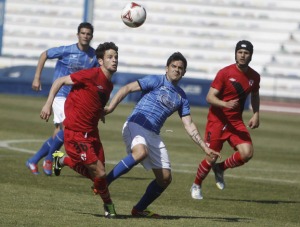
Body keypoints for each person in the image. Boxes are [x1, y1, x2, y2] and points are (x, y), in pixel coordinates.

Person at [102, 52, 220, 218]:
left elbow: (189, 124)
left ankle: (139, 209)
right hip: (136, 123)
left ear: (184, 72)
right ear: (167, 67)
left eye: (180, 68)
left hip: (153, 134)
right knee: (140, 153)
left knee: (165, 178)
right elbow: (127, 88)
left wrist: (204, 147)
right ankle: (104, 182)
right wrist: (110, 107)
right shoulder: (156, 80)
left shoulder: (181, 97)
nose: (177, 70)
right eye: (174, 66)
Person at [40, 42, 119, 218]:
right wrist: (48, 104)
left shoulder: (109, 85)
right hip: (76, 133)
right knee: (100, 173)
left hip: (92, 132)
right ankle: (109, 206)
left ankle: (62, 161)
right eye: (110, 57)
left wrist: (100, 113)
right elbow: (60, 80)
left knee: (99, 178)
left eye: (116, 57)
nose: (114, 60)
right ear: (100, 61)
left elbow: (95, 100)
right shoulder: (90, 74)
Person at [190, 40, 260, 200]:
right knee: (211, 156)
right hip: (217, 121)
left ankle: (220, 168)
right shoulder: (225, 73)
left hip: (235, 122)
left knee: (247, 153)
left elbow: (255, 94)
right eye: (240, 52)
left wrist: (256, 113)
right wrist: (225, 104)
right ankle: (196, 184)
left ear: (251, 56)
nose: (242, 56)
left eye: (246, 53)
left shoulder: (255, 77)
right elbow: (209, 97)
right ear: (235, 54)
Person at [26, 22, 99, 176]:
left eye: (88, 34)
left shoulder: (93, 56)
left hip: (76, 99)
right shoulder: (67, 50)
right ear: (78, 34)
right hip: (60, 95)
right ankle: (49, 159)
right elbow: (44, 54)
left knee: (58, 133)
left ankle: (33, 160)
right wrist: (37, 78)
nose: (85, 36)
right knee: (67, 129)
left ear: (91, 36)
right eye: (83, 33)